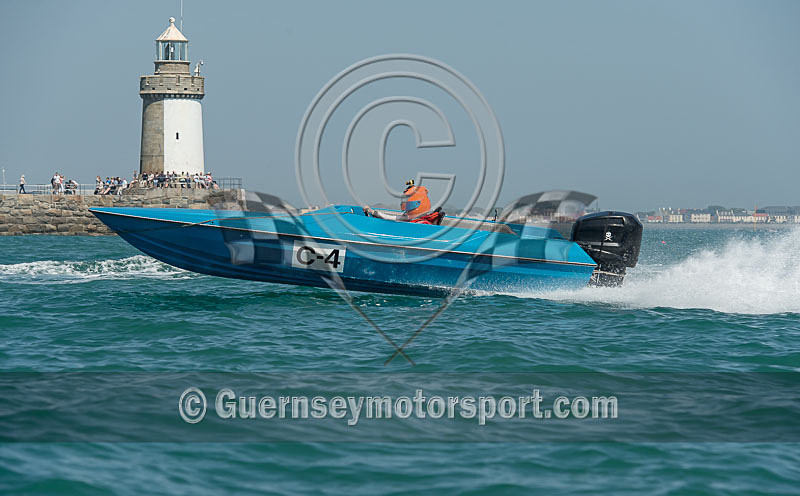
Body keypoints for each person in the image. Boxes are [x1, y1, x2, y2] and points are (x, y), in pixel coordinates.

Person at [363, 179, 442, 224]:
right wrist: (373, 212)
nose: (407, 209)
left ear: (418, 205)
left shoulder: (422, 224)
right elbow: (389, 217)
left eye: (409, 206)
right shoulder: (410, 218)